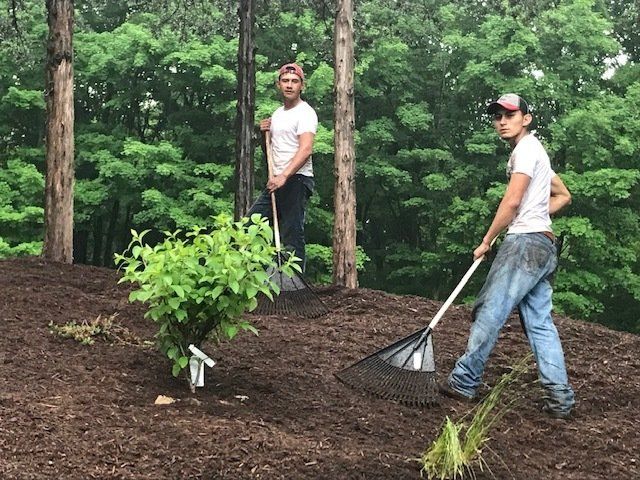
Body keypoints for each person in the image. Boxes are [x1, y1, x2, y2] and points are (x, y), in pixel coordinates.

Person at [441, 93, 575, 419]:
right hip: (543, 245)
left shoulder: (526, 151)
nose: (502, 121)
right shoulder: (535, 151)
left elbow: (512, 201)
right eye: (497, 115)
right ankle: (560, 400)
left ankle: (464, 380)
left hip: (525, 245)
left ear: (526, 119)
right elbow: (563, 195)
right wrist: (534, 217)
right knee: (540, 324)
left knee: (490, 309)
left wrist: (487, 239)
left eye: (510, 115)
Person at [248, 62, 318, 270]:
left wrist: (284, 177)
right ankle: (257, 277)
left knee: (291, 232)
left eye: (294, 81)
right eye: (285, 81)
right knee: (250, 225)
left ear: (301, 86)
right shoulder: (278, 114)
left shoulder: (305, 113)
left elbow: (305, 150)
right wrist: (264, 135)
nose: (289, 85)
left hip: (296, 179)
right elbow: (270, 151)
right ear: (279, 85)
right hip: (276, 180)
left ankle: (295, 287)